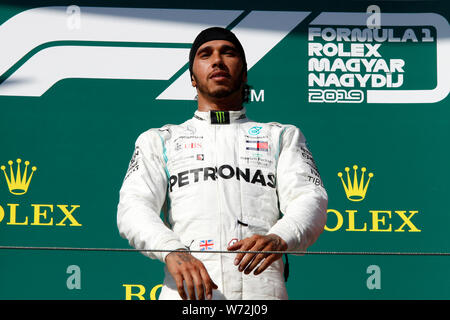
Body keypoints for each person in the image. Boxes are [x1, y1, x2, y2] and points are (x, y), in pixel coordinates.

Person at [117, 27, 328, 300]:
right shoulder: (160, 140)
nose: (217, 60)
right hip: (188, 296)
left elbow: (310, 198)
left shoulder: (281, 136)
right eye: (206, 54)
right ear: (192, 78)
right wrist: (171, 250)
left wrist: (279, 236)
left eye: (228, 53)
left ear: (245, 72)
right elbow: (133, 208)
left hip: (262, 295)